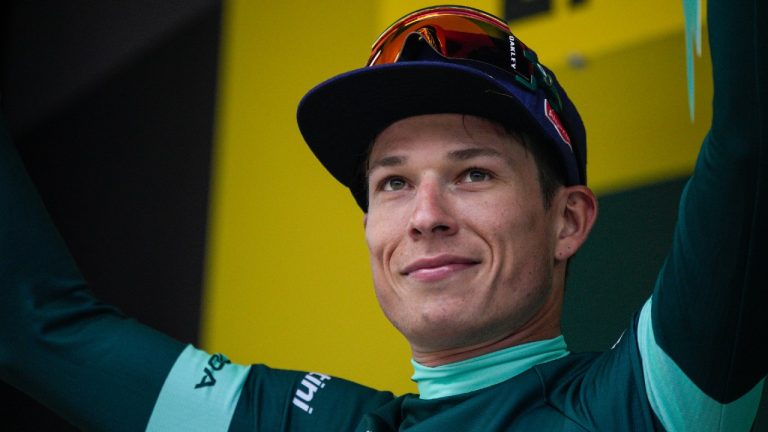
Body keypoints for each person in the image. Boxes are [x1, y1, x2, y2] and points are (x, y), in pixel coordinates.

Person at [0, 2, 765, 431]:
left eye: (472, 171)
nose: (425, 215)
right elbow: (32, 323)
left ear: (568, 219)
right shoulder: (321, 425)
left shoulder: (646, 403)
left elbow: (752, 144)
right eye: (393, 184)